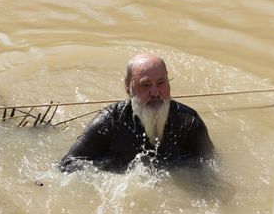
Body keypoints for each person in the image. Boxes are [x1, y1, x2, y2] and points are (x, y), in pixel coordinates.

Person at [58, 53, 214, 173]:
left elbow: (210, 165)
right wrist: (110, 173)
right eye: (145, 85)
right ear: (128, 87)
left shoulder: (189, 123)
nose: (155, 93)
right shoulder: (110, 122)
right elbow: (68, 165)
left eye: (161, 83)